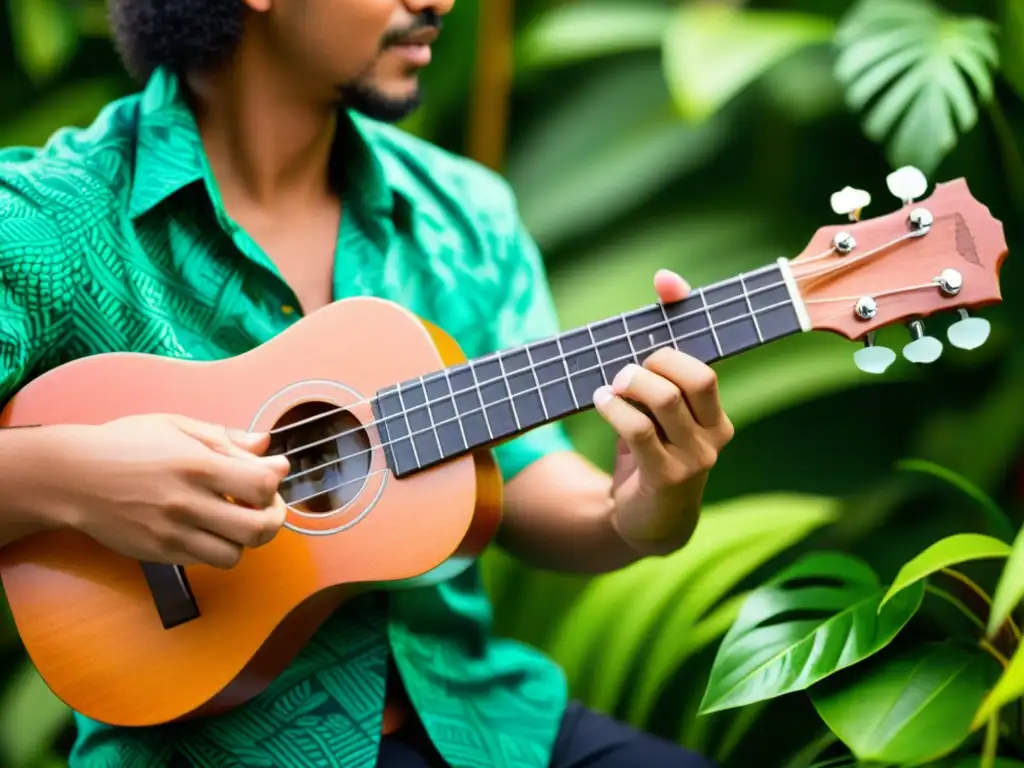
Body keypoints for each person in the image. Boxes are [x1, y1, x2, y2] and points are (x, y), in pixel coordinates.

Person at [0, 0, 734, 766]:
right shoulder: (54, 222)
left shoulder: (463, 215)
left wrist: (635, 512)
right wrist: (77, 479)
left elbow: (513, 475)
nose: (438, 3)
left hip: (484, 727)